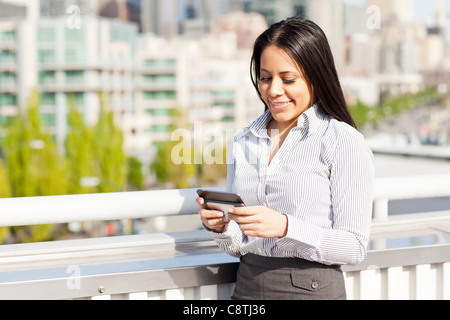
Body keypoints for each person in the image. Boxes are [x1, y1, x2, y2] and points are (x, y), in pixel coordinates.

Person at [196, 16, 374, 300]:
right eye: (265, 78)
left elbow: (354, 247)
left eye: (288, 79)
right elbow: (241, 244)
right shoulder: (243, 142)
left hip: (313, 290)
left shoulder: (342, 141)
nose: (273, 90)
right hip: (247, 287)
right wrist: (220, 227)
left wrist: (286, 226)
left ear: (316, 77)